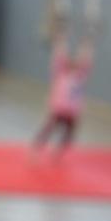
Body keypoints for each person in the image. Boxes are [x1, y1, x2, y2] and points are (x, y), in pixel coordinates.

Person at [31, 25, 95, 155]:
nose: (73, 62)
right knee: (49, 128)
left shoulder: (80, 75)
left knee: (69, 133)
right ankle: (37, 147)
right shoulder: (61, 73)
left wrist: (87, 45)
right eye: (70, 61)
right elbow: (59, 55)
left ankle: (59, 150)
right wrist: (61, 39)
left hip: (72, 111)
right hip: (59, 108)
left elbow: (86, 60)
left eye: (75, 61)